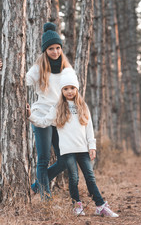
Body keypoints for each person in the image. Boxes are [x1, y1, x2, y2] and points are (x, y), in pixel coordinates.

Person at [26, 68, 119, 217]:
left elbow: (89, 127)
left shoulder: (83, 106)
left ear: (77, 89)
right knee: (73, 178)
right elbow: (44, 122)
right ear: (62, 91)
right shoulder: (58, 108)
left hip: (83, 149)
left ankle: (100, 205)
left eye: (72, 88)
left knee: (90, 177)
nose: (69, 91)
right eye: (66, 89)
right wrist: (31, 116)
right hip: (67, 150)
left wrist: (92, 146)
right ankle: (77, 205)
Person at [0, 22, 69, 200]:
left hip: (58, 118)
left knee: (65, 160)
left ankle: (37, 185)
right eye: (51, 48)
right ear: (45, 50)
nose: (55, 51)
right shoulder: (38, 68)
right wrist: (4, 70)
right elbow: (22, 81)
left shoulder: (66, 69)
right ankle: (46, 198)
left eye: (58, 48)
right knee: (43, 159)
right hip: (41, 115)